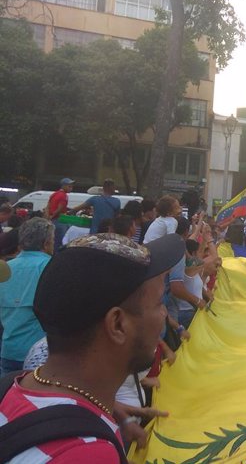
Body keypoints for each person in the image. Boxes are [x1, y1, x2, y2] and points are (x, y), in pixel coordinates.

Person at [0, 232, 184, 461]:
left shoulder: (15, 386)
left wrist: (107, 409)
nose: (164, 314)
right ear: (117, 324)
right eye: (158, 303)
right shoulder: (88, 453)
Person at [0, 218, 54, 376]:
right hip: (39, 355)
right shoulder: (51, 267)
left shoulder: (6, 268)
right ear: (45, 243)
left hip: (8, 350)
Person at [46, 177, 74, 250]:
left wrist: (48, 217)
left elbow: (48, 207)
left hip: (52, 220)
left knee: (53, 240)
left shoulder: (54, 194)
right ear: (63, 186)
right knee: (61, 242)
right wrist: (53, 216)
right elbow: (59, 209)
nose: (71, 188)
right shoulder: (64, 196)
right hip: (60, 220)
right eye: (69, 186)